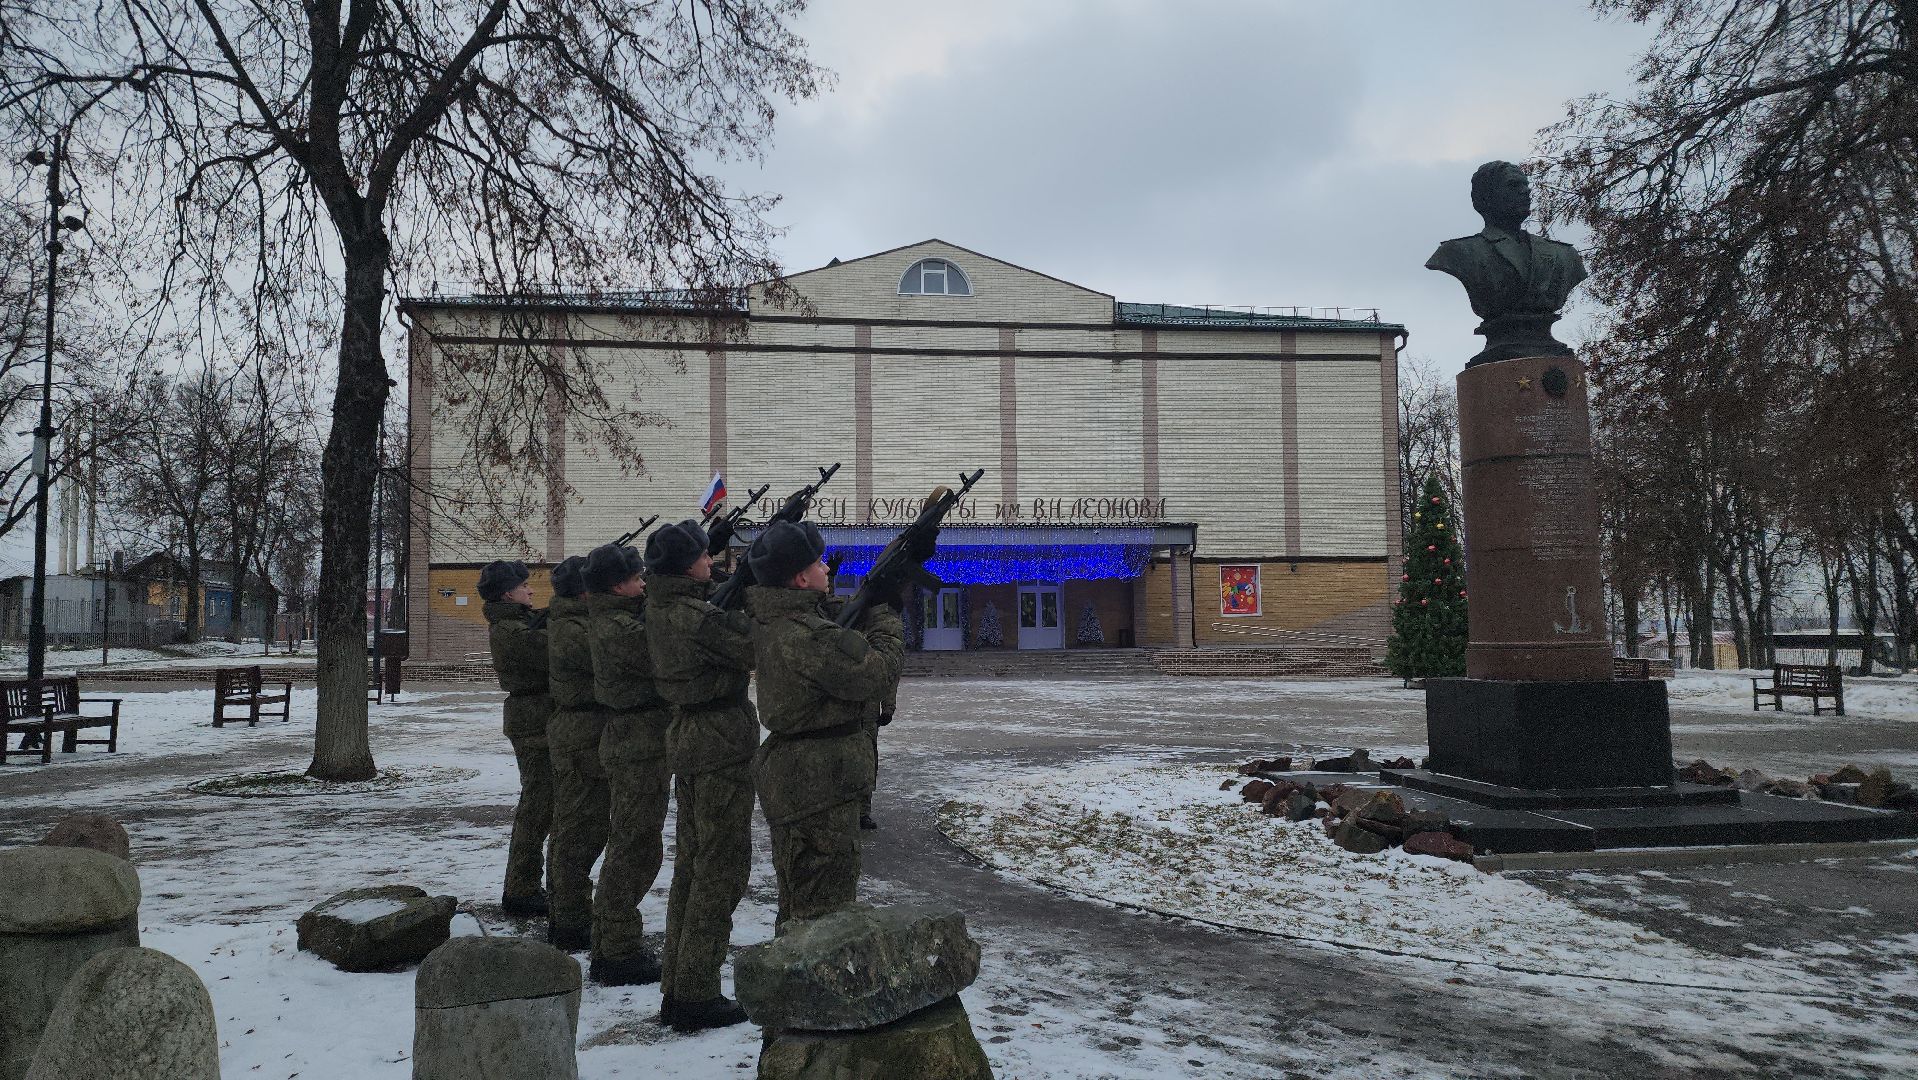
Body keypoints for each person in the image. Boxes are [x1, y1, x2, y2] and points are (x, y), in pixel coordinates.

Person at [744, 520, 903, 930]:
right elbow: (876, 672)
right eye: (818, 564)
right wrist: (885, 614)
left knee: (800, 897)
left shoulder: (774, 619)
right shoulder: (809, 637)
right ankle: (806, 989)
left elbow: (831, 621)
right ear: (800, 578)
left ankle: (788, 981)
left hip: (800, 775)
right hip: (818, 784)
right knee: (823, 911)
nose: (827, 569)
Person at [645, 519, 756, 1031]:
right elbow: (754, 645)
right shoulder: (696, 618)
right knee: (720, 867)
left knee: (693, 863)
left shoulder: (664, 607)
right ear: (684, 565)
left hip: (692, 739)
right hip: (716, 742)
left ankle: (680, 981)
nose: (711, 560)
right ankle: (695, 990)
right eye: (702, 555)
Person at [582, 541, 671, 986]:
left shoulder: (613, 619)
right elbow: (664, 644)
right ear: (618, 586)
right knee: (633, 845)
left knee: (635, 842)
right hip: (636, 744)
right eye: (637, 578)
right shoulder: (618, 628)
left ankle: (610, 939)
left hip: (636, 741)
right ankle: (615, 949)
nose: (644, 583)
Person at [1425, 160, 1588, 366]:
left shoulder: (1565, 255)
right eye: (1513, 186)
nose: (1525, 192)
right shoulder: (1459, 252)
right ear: (1485, 198)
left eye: (1526, 186)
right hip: (1498, 349)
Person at [479, 559, 554, 917]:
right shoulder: (510, 631)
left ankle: (525, 885)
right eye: (525, 586)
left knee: (541, 804)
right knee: (537, 806)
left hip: (538, 719)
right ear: (508, 593)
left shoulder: (518, 622)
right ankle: (521, 888)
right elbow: (550, 650)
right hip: (533, 722)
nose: (531, 590)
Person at [544, 554, 605, 952]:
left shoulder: (571, 623)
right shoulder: (574, 629)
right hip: (581, 734)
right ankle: (569, 918)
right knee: (578, 828)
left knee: (578, 826)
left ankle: (568, 912)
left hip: (580, 731)